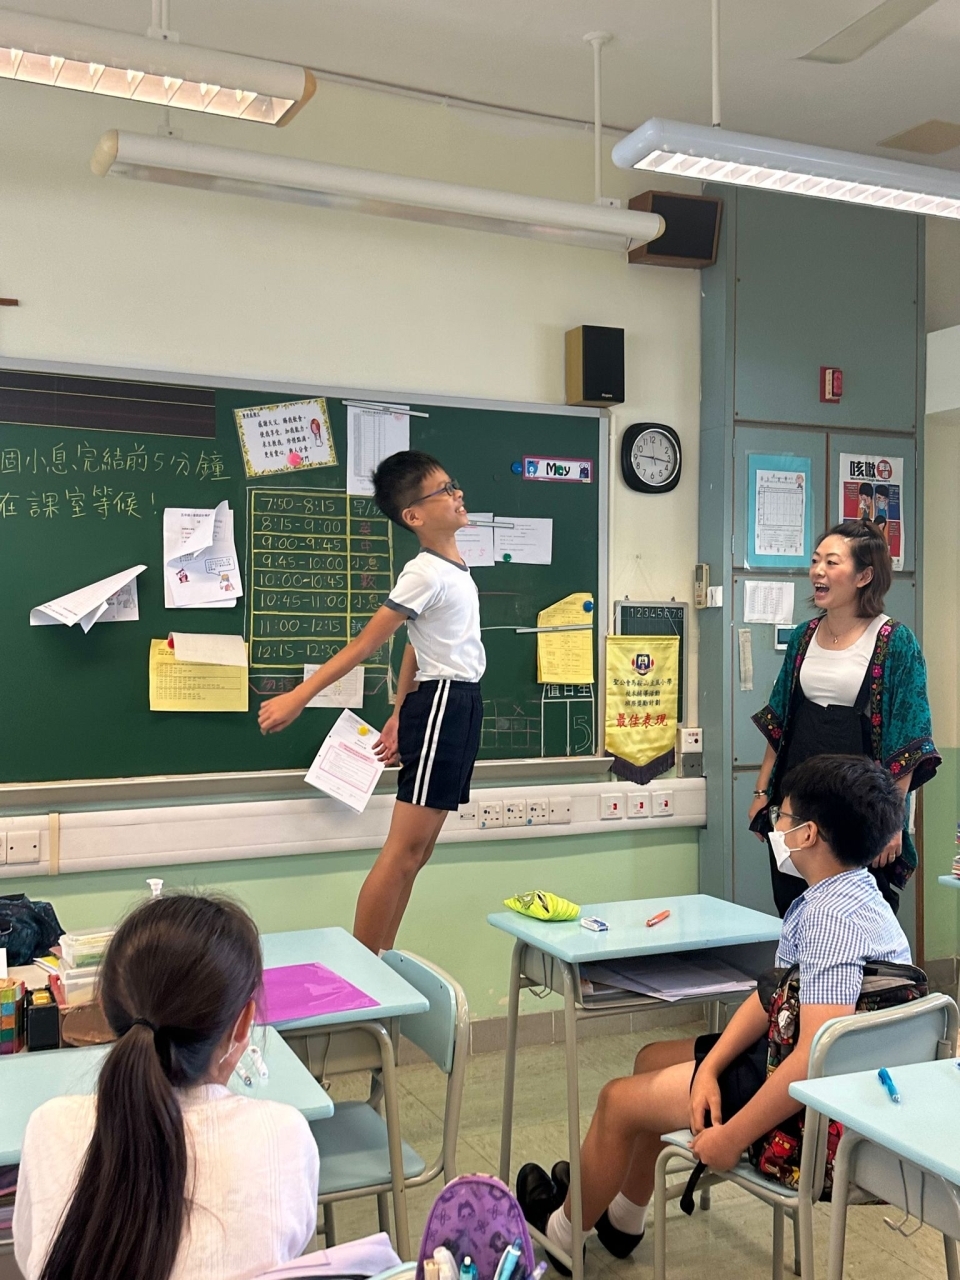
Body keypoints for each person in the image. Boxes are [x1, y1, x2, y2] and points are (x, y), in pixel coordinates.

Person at [517, 755, 912, 1269]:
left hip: (811, 1115)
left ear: (808, 834)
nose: (775, 826)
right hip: (813, 1073)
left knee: (616, 1101)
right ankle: (623, 1219)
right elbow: (772, 998)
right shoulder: (856, 896)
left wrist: (732, 1137)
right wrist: (710, 1067)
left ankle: (560, 1235)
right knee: (650, 1059)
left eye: (782, 816)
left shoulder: (828, 920)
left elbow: (815, 1057)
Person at [13, 894, 319, 1280]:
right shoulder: (284, 1134)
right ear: (243, 1025)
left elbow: (30, 1256)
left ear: (105, 1011)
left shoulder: (49, 1127)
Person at [258, 451, 484, 953]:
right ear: (414, 516)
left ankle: (382, 959)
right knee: (403, 853)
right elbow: (365, 644)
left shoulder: (453, 570)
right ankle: (363, 967)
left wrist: (400, 712)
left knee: (417, 855)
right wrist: (298, 697)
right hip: (444, 702)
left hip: (456, 703)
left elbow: (414, 646)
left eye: (453, 485)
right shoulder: (425, 573)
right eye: (444, 490)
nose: (457, 494)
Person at [748, 518, 938, 917]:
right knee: (793, 907)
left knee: (856, 914)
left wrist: (892, 821)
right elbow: (780, 721)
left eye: (832, 563)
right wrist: (762, 792)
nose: (818, 571)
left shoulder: (894, 641)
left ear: (864, 576)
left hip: (858, 806)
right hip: (798, 797)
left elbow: (909, 736)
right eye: (815, 561)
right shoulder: (804, 636)